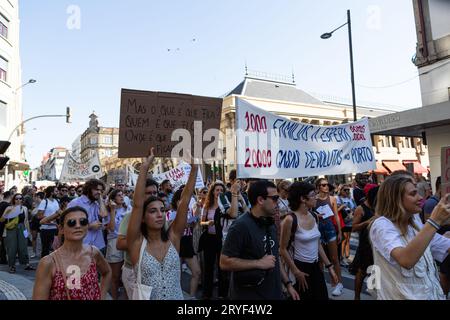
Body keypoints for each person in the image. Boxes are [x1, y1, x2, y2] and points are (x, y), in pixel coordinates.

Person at [127, 148, 198, 300]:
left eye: (161, 210)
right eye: (153, 211)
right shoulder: (136, 243)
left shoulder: (173, 237)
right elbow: (138, 204)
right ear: (143, 218)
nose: (159, 214)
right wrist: (144, 168)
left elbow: (184, 201)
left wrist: (195, 167)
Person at [369, 174, 450, 300]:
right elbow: (406, 260)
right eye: (413, 194)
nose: (420, 198)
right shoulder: (381, 225)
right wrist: (434, 221)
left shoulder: (414, 220)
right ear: (396, 199)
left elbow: (434, 242)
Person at [220, 180, 299, 300]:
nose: (278, 202)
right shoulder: (240, 226)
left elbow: (274, 257)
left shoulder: (269, 223)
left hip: (274, 293)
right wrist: (258, 263)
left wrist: (288, 284)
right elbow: (224, 262)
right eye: (274, 198)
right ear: (260, 200)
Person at [32, 206, 112, 300]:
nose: (78, 226)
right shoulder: (49, 262)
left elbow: (107, 272)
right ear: (61, 229)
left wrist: (102, 296)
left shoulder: (93, 253)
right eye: (71, 223)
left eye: (83, 222)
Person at [280, 181, 338, 300]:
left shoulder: (314, 216)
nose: (316, 197)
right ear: (303, 199)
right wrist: (296, 272)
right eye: (312, 195)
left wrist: (330, 267)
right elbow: (282, 249)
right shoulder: (290, 220)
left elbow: (317, 244)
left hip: (316, 267)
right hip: (300, 269)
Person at [116, 178, 159, 300]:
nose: (152, 196)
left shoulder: (160, 216)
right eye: (148, 193)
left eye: (154, 193)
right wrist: (146, 241)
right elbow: (119, 244)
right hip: (134, 271)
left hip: (155, 270)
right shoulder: (130, 217)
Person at [199, 181, 237, 299]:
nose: (219, 192)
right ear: (213, 192)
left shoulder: (225, 206)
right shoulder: (207, 205)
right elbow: (201, 222)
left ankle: (222, 294)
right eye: (217, 190)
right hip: (209, 239)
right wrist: (207, 223)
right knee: (209, 267)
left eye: (221, 190)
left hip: (222, 240)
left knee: (222, 268)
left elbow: (232, 216)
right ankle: (207, 294)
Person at [167, 187, 201, 299]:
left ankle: (192, 297)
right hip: (175, 244)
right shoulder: (170, 213)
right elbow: (171, 228)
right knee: (177, 274)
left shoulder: (190, 211)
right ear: (178, 201)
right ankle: (178, 296)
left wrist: (195, 219)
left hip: (187, 242)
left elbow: (194, 226)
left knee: (196, 272)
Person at [314, 178, 344, 296]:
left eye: (327, 185)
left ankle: (338, 284)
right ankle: (322, 284)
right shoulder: (314, 199)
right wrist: (316, 215)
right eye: (323, 185)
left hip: (330, 229)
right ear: (318, 187)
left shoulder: (332, 199)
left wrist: (340, 232)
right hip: (318, 230)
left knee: (334, 258)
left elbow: (336, 215)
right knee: (320, 260)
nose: (326, 187)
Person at [350, 184, 378, 300]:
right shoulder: (360, 209)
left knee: (376, 271)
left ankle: (374, 295)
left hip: (376, 244)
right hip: (365, 244)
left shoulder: (377, 206)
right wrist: (368, 222)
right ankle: (357, 297)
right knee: (362, 272)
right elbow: (354, 227)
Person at [67, 179, 108, 253]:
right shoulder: (76, 203)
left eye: (101, 191)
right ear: (89, 189)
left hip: (98, 245)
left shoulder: (97, 203)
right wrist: (89, 226)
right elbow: (68, 224)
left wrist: (100, 199)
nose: (99, 192)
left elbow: (103, 214)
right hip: (82, 246)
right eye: (96, 189)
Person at [0, 193, 34, 273]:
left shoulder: (24, 208)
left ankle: (27, 264)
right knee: (12, 248)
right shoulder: (9, 207)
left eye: (20, 198)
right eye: (16, 199)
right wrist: (7, 213)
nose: (18, 200)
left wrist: (28, 233)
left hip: (22, 228)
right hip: (11, 230)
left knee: (23, 247)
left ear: (22, 200)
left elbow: (26, 221)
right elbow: (1, 220)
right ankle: (12, 266)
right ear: (13, 200)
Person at [105, 189, 129, 300]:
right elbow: (111, 228)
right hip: (114, 242)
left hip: (127, 241)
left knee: (127, 275)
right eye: (119, 195)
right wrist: (113, 210)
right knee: (115, 276)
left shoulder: (128, 209)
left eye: (122, 194)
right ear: (113, 199)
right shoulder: (108, 211)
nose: (122, 196)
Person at [36, 186, 61, 257]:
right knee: (45, 249)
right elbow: (39, 215)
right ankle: (44, 265)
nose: (58, 192)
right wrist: (50, 219)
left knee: (55, 248)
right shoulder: (44, 201)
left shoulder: (57, 201)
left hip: (55, 228)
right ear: (51, 192)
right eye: (56, 191)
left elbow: (58, 214)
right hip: (45, 229)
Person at [336, 184, 357, 264]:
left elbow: (355, 208)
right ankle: (341, 257)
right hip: (343, 221)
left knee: (348, 238)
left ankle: (347, 256)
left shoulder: (350, 199)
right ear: (340, 191)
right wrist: (342, 206)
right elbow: (336, 210)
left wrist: (352, 211)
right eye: (345, 190)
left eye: (348, 190)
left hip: (350, 220)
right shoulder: (337, 199)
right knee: (344, 239)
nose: (347, 191)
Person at [0, 191, 13, 264]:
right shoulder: (8, 206)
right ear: (10, 196)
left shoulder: (1, 204)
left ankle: (3, 258)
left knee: (2, 244)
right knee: (5, 244)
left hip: (1, 226)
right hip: (5, 227)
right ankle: (4, 259)